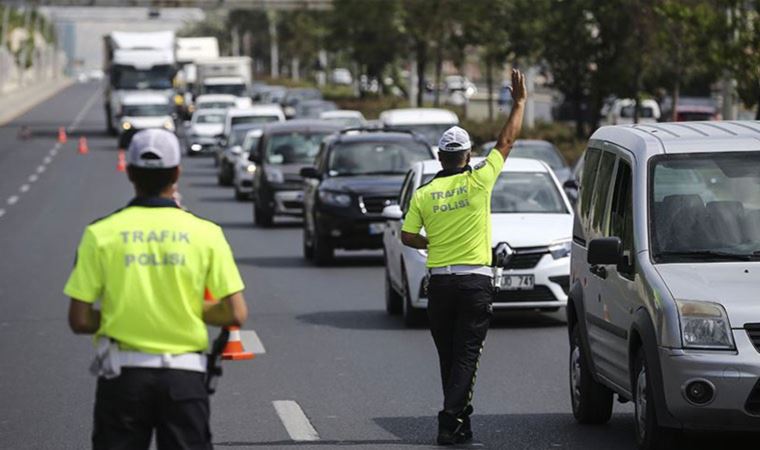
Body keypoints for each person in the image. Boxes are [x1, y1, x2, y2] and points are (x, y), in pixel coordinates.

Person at [64, 128, 248, 450]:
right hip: (185, 379)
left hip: (122, 379)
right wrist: (190, 310)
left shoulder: (100, 234)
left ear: (130, 173)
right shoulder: (206, 233)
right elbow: (236, 313)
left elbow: (79, 319)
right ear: (177, 173)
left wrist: (122, 314)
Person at [401, 68, 527, 445]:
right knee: (467, 357)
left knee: (450, 356)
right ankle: (448, 420)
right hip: (475, 283)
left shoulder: (424, 193)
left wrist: (431, 243)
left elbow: (407, 235)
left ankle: (460, 423)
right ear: (468, 155)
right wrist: (519, 102)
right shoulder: (479, 180)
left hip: (439, 283)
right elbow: (506, 141)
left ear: (440, 157)